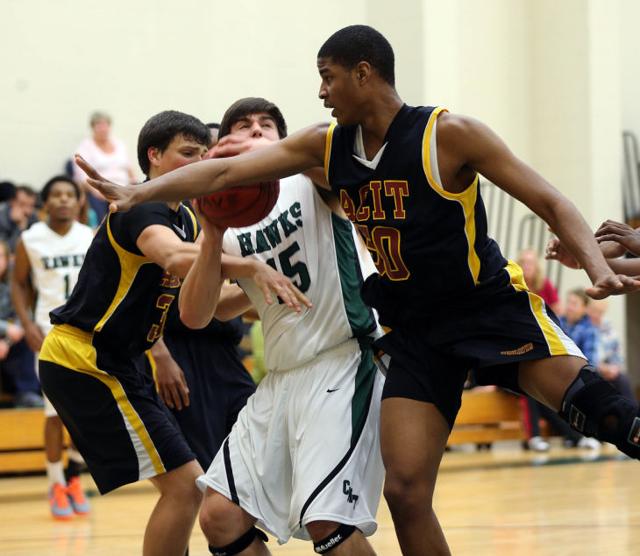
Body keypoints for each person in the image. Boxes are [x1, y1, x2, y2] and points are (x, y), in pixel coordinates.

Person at [79, 25, 640, 556]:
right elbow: (223, 184)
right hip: (408, 330)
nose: (321, 92)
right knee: (403, 491)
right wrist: (142, 192)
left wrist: (597, 267)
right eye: (319, 79)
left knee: (606, 415)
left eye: (328, 76)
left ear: (364, 73)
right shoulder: (318, 155)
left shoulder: (432, 138)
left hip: (478, 309)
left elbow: (550, 202)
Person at [43, 110, 305, 556]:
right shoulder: (141, 208)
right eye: (188, 154)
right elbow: (176, 258)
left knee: (188, 486)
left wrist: (271, 285)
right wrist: (250, 266)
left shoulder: (186, 215)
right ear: (154, 157)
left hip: (119, 362)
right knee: (185, 488)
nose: (200, 162)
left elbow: (213, 304)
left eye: (205, 154)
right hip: (85, 358)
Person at [176, 97, 384, 556]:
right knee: (219, 516)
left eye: (265, 126)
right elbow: (195, 315)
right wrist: (210, 232)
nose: (254, 132)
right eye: (242, 126)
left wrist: (279, 152)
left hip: (343, 363)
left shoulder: (310, 180)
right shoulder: (227, 217)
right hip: (281, 379)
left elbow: (327, 163)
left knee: (328, 519)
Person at [11, 176, 94, 519]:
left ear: (78, 202)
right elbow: (17, 285)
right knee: (54, 414)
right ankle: (55, 482)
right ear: (45, 203)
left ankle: (74, 476)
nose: (63, 200)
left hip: (86, 332)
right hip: (49, 331)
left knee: (84, 415)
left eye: (69, 195)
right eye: (56, 195)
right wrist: (28, 325)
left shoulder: (89, 236)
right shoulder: (30, 239)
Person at [73, 111, 137, 223]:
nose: (103, 129)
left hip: (123, 189)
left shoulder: (119, 144)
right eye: (99, 125)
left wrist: (135, 185)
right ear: (93, 127)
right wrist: (97, 192)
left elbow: (129, 168)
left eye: (105, 125)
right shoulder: (85, 146)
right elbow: (81, 176)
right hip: (100, 191)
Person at [0, 239, 41, 408]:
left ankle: (27, 393)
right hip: (5, 331)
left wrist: (7, 340)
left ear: (8, 258)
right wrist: (6, 329)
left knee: (31, 335)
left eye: (0, 256)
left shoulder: (16, 278)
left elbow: (25, 313)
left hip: (11, 339)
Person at [588, 298, 636, 402]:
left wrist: (614, 368)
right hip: (590, 370)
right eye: (594, 310)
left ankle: (633, 416)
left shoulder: (608, 329)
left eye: (600, 312)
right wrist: (600, 367)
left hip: (606, 371)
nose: (596, 315)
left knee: (623, 380)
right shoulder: (583, 327)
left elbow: (617, 354)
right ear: (588, 309)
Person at [0, 185, 39, 251]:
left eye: (31, 206)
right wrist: (20, 227)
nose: (27, 211)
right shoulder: (2, 217)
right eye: (22, 204)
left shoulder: (33, 216)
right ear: (12, 202)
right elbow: (7, 250)